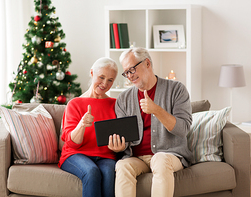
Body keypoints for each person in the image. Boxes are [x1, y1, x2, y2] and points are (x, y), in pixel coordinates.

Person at [111, 47, 193, 197]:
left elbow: (183, 129)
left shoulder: (176, 89)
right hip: (137, 158)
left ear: (147, 63)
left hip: (169, 155)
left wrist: (157, 110)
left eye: (132, 69)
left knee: (160, 159)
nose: (129, 76)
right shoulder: (123, 99)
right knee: (122, 165)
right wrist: (118, 146)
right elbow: (125, 139)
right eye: (126, 72)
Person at [58, 57, 125, 197]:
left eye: (110, 80)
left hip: (106, 155)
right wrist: (82, 125)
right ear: (92, 73)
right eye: (101, 77)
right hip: (75, 155)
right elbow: (71, 143)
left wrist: (120, 147)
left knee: (109, 173)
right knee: (91, 171)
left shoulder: (115, 104)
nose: (105, 83)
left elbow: (123, 136)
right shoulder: (74, 104)